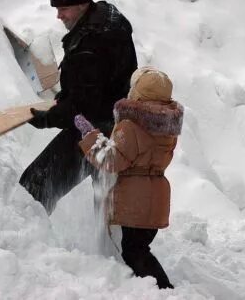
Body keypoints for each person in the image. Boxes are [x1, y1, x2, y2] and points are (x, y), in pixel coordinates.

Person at [19, 0, 137, 214]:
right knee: (106, 201)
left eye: (64, 9)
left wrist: (46, 118)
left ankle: (26, 243)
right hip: (117, 124)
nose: (59, 15)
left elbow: (84, 104)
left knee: (34, 188)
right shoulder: (106, 16)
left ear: (82, 4)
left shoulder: (91, 41)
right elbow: (93, 82)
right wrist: (68, 95)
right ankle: (107, 245)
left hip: (94, 129)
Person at [74, 67, 183, 290]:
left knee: (134, 251)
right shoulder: (168, 128)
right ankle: (146, 287)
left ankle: (163, 290)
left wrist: (89, 137)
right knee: (138, 247)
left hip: (136, 200)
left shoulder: (131, 125)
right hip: (156, 197)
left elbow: (111, 160)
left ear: (139, 93)